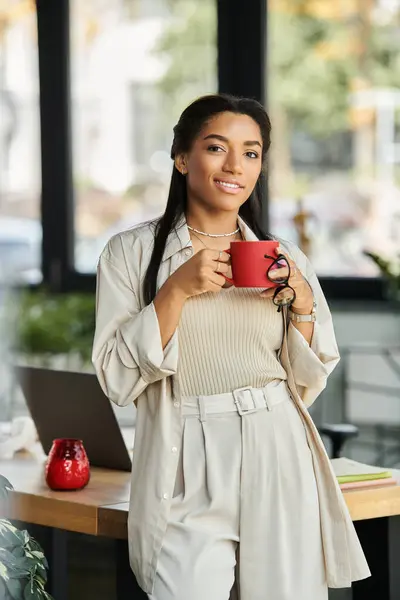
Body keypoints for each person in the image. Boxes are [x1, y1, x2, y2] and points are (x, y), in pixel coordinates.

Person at [92, 94, 370, 600]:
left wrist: (301, 302)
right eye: (217, 148)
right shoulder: (130, 253)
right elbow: (115, 377)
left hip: (276, 443)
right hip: (185, 452)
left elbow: (306, 379)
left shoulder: (284, 256)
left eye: (251, 152)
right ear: (182, 157)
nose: (235, 167)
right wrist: (175, 290)